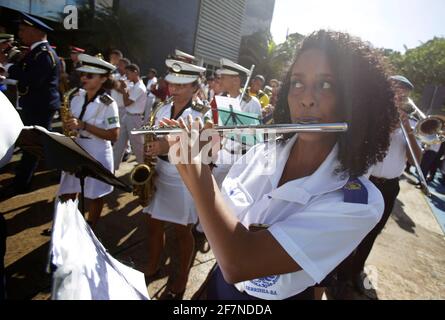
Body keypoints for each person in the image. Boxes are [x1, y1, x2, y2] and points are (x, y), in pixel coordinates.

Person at [161, 30, 399, 300]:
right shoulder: (263, 152)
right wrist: (204, 155)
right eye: (297, 83)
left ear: (355, 101)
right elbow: (220, 216)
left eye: (325, 85)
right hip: (218, 286)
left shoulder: (360, 203)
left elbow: (239, 263)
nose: (305, 99)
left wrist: (196, 173)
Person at [338, 74, 423, 298]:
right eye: (397, 90)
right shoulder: (371, 116)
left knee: (373, 231)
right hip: (361, 181)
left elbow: (416, 161)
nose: (401, 95)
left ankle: (356, 271)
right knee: (350, 228)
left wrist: (409, 130)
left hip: (389, 187)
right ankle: (339, 274)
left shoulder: (411, 124)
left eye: (405, 93)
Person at [142, 59, 208, 299]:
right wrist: (147, 163)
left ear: (194, 88)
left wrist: (164, 147)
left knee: (182, 231)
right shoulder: (161, 108)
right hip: (160, 172)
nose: (174, 88)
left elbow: (203, 149)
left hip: (184, 178)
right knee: (152, 224)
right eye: (172, 83)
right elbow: (151, 136)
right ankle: (152, 264)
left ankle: (181, 276)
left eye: (181, 85)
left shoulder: (201, 113)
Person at [0, 13, 61, 197]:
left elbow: (31, 79)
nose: (20, 33)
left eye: (23, 29)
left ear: (34, 31)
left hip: (40, 107)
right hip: (33, 105)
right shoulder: (36, 51)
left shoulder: (44, 54)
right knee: (29, 144)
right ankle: (24, 176)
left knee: (33, 146)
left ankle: (22, 184)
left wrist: (6, 66)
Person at [58, 54, 119, 228]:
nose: (83, 78)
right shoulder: (76, 96)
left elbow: (114, 135)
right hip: (77, 146)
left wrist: (84, 125)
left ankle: (90, 226)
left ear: (103, 79)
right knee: (70, 189)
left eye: (89, 75)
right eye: (83, 74)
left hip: (97, 150)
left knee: (95, 194)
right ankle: (68, 223)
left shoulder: (109, 104)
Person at [113, 63, 147, 170]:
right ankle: (112, 168)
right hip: (128, 116)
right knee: (119, 144)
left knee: (137, 146)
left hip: (134, 118)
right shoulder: (134, 85)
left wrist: (123, 90)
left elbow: (127, 102)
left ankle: (144, 169)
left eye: (128, 73)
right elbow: (125, 97)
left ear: (135, 72)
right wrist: (123, 88)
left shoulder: (140, 87)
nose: (126, 76)